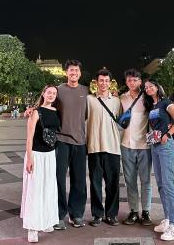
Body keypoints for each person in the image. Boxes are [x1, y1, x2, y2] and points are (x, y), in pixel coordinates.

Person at [25, 60, 88, 229]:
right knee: (58, 179)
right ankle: (59, 214)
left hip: (81, 141)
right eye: (70, 70)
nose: (73, 73)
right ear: (66, 73)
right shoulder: (59, 90)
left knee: (79, 181)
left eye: (76, 70)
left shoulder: (86, 91)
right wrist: (32, 109)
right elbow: (46, 102)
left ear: (80, 73)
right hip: (61, 141)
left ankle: (77, 214)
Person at [21, 85, 60, 243]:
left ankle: (46, 221)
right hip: (36, 155)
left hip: (50, 155)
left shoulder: (56, 111)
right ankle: (32, 228)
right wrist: (29, 158)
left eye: (54, 93)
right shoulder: (36, 112)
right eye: (49, 92)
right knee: (35, 191)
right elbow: (29, 137)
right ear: (43, 93)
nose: (51, 95)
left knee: (48, 189)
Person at [143, 78, 174, 241]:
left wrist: (168, 135)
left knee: (168, 183)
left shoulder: (166, 102)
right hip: (154, 145)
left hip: (165, 145)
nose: (148, 89)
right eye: (146, 87)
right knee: (160, 184)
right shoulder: (151, 105)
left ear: (158, 87)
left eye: (151, 86)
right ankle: (167, 219)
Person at [87, 68, 122, 227]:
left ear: (110, 83)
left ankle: (112, 214)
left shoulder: (117, 101)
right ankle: (97, 214)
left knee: (113, 183)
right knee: (95, 183)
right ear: (96, 82)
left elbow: (124, 118)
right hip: (94, 147)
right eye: (101, 80)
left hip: (113, 147)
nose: (103, 83)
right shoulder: (89, 99)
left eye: (106, 81)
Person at [120, 69, 153, 226]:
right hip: (126, 145)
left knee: (145, 180)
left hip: (144, 146)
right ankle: (133, 211)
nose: (132, 83)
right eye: (129, 80)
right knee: (130, 180)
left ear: (140, 81)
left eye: (135, 80)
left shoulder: (147, 97)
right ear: (126, 82)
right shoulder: (122, 98)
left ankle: (145, 211)